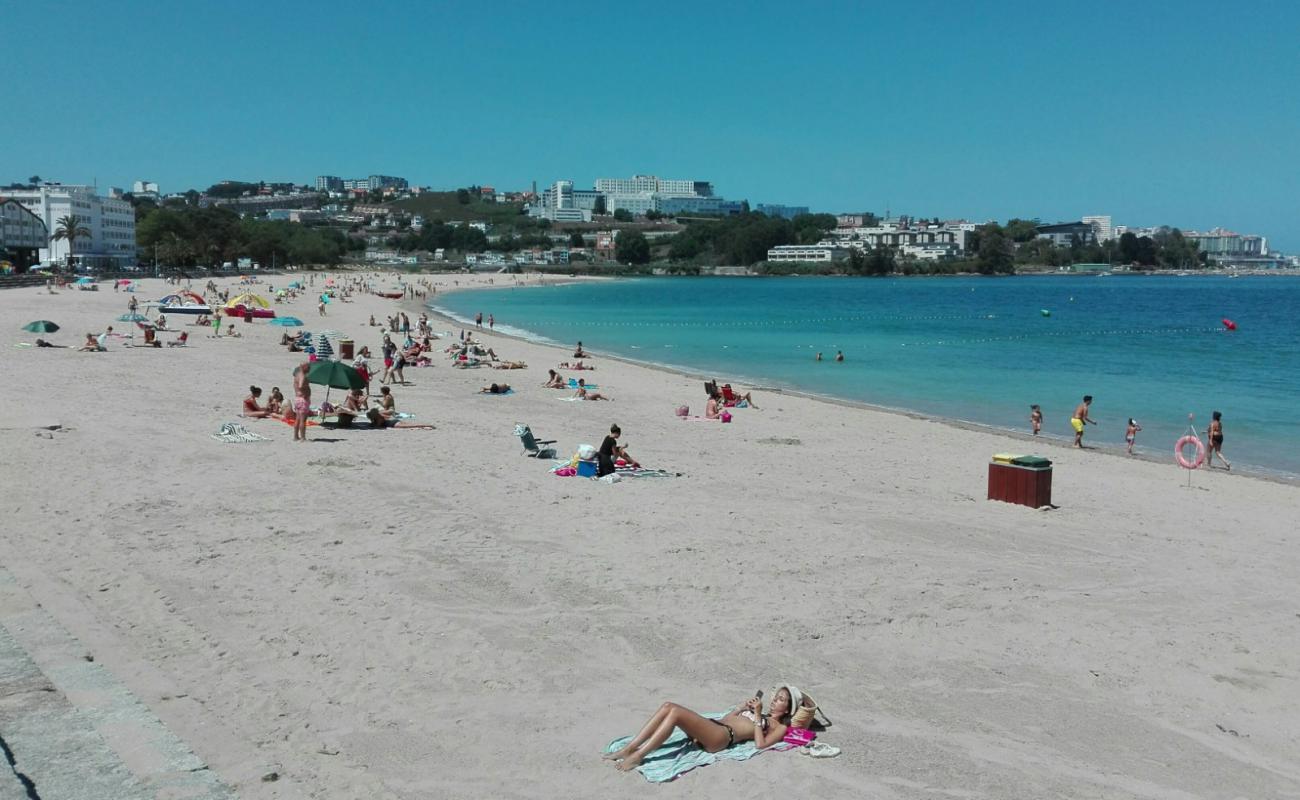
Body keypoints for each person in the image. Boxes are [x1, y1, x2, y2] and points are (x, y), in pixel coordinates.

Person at [605, 687, 798, 772]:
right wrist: (741, 708)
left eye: (780, 699)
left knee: (675, 713)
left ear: (788, 708)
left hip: (721, 738)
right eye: (775, 697)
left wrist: (757, 716)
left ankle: (639, 755)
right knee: (667, 706)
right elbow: (726, 719)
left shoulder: (778, 727)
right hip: (717, 727)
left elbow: (760, 744)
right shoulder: (760, 714)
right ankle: (630, 748)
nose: (774, 701)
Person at [292, 361, 312, 442]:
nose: (309, 369)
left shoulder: (297, 375)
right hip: (302, 399)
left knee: (297, 418)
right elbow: (300, 386)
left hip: (297, 399)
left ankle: (296, 436)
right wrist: (306, 388)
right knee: (303, 420)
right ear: (304, 367)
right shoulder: (303, 376)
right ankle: (303, 437)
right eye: (308, 367)